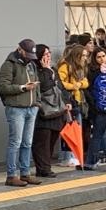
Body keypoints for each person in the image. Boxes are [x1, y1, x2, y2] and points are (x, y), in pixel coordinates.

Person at [0, 39, 41, 187]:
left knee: (27, 142)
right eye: (27, 54)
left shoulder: (32, 64)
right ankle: (11, 175)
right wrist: (22, 88)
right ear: (20, 50)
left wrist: (37, 102)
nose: (29, 57)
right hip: (16, 108)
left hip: (31, 107)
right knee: (15, 142)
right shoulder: (9, 65)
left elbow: (37, 86)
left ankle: (25, 173)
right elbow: (3, 87)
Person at [32, 45, 70, 178]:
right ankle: (43, 168)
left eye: (49, 53)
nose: (48, 56)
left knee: (52, 141)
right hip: (44, 112)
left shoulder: (53, 69)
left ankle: (45, 167)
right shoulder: (35, 70)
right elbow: (45, 87)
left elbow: (60, 87)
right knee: (42, 141)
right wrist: (47, 71)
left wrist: (67, 102)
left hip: (57, 111)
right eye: (45, 54)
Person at [58, 45, 89, 166]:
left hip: (79, 100)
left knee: (76, 129)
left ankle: (74, 155)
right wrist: (73, 86)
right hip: (70, 100)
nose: (85, 58)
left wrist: (78, 84)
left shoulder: (81, 68)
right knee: (69, 128)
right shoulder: (66, 66)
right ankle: (67, 156)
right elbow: (60, 83)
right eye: (84, 55)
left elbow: (86, 82)